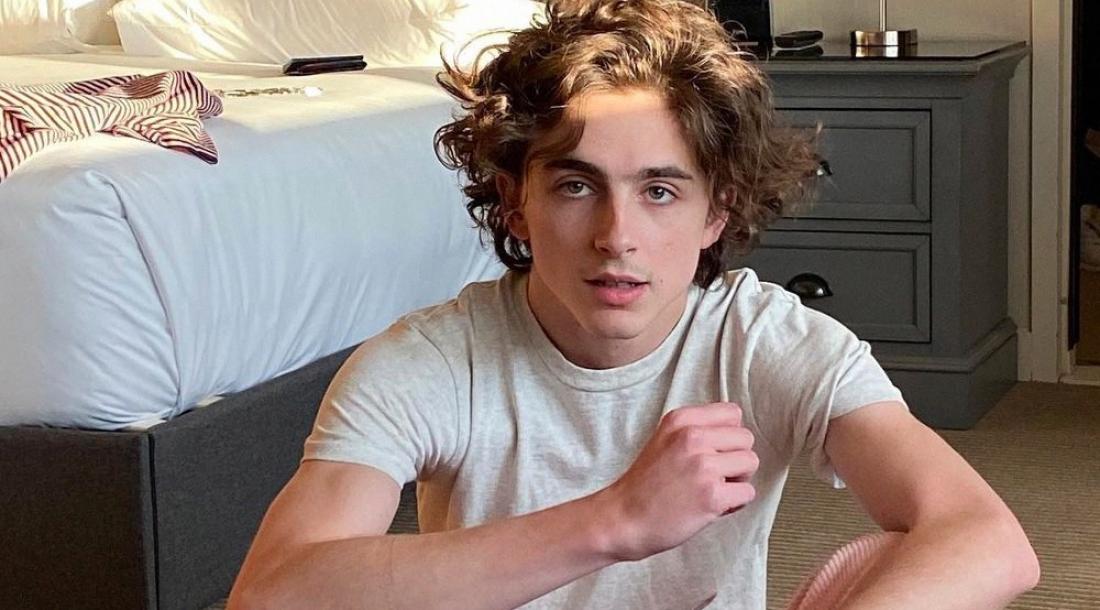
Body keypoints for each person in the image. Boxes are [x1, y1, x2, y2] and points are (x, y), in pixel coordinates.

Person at [228, 1, 1039, 608]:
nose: (617, 237)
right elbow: (273, 593)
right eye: (576, 186)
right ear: (515, 203)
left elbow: (989, 541)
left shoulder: (766, 342)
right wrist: (616, 519)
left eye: (659, 191)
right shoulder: (432, 363)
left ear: (716, 212)